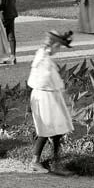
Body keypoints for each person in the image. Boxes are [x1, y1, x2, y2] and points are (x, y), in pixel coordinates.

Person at [26, 29, 75, 173]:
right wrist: (60, 89)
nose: (58, 50)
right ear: (52, 46)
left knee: (54, 130)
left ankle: (55, 161)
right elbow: (47, 79)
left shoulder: (42, 55)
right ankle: (39, 161)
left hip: (46, 95)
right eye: (57, 47)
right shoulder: (44, 61)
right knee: (48, 128)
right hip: (46, 97)